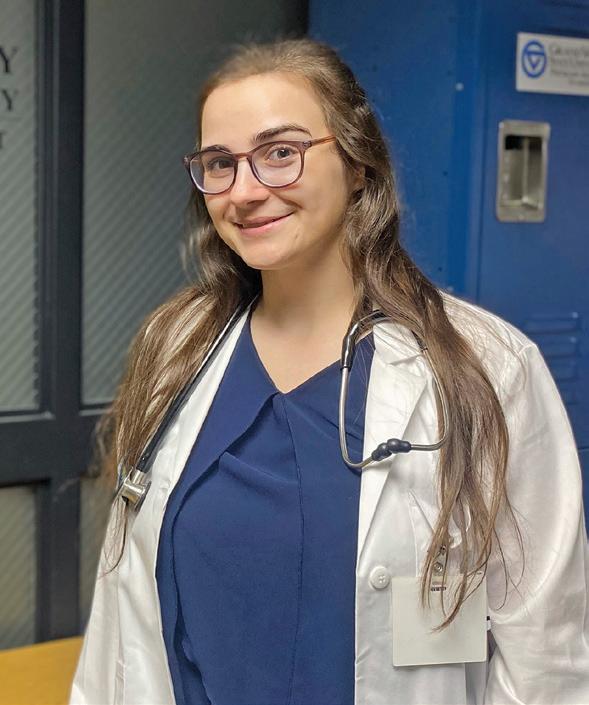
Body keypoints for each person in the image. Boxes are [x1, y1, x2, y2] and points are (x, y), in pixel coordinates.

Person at [70, 37, 589, 705]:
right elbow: (119, 631)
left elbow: (545, 655)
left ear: (357, 163)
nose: (244, 191)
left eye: (280, 153)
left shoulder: (485, 365)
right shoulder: (176, 348)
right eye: (219, 163)